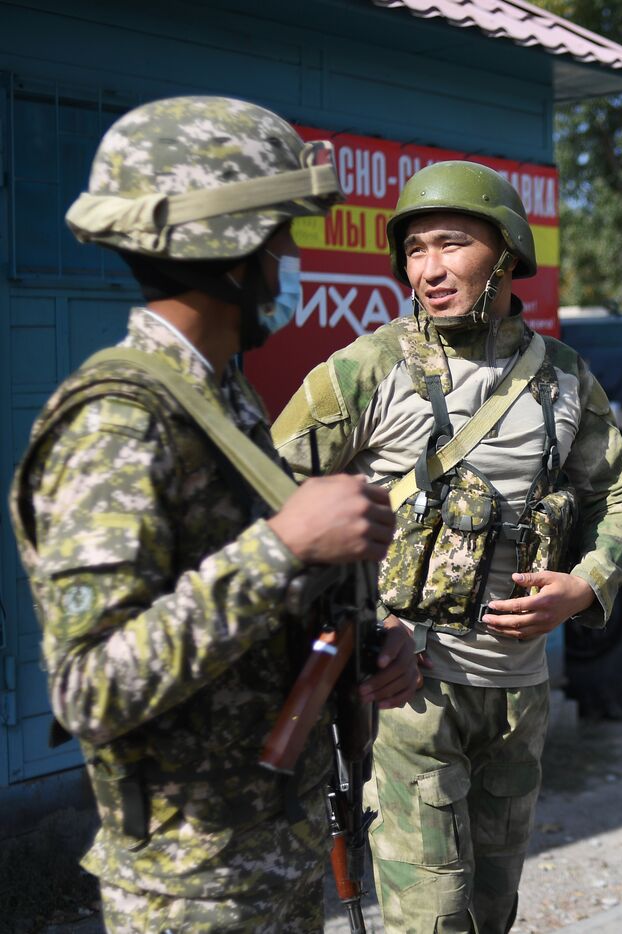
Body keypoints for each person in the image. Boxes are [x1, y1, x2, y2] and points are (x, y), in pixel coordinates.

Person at [9, 96, 420, 931]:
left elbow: (247, 629)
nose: (291, 260)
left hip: (281, 855)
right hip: (195, 892)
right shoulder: (119, 422)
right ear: (228, 249)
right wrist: (282, 547)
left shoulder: (220, 398)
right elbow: (89, 690)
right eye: (283, 237)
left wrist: (365, 647)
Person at [271, 160, 622, 932]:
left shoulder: (566, 381)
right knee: (432, 919)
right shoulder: (365, 372)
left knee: (492, 910)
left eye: (450, 245)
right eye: (414, 251)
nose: (430, 269)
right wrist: (362, 631)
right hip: (410, 696)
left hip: (519, 696)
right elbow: (272, 505)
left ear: (506, 254)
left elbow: (618, 495)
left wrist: (587, 583)